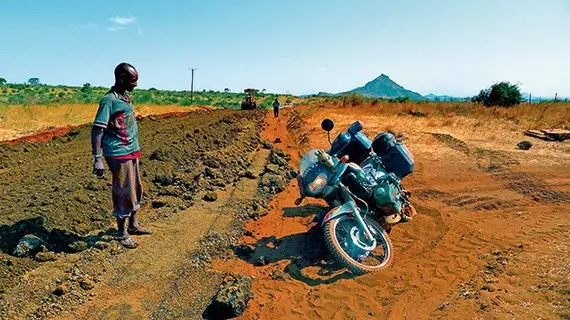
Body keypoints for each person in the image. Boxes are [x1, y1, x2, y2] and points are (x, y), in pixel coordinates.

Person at [91, 62, 151, 249]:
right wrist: (97, 158)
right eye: (133, 81)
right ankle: (120, 233)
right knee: (124, 191)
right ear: (121, 79)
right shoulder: (108, 100)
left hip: (131, 150)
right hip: (118, 152)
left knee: (135, 187)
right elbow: (97, 130)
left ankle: (132, 225)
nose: (135, 85)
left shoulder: (124, 98)